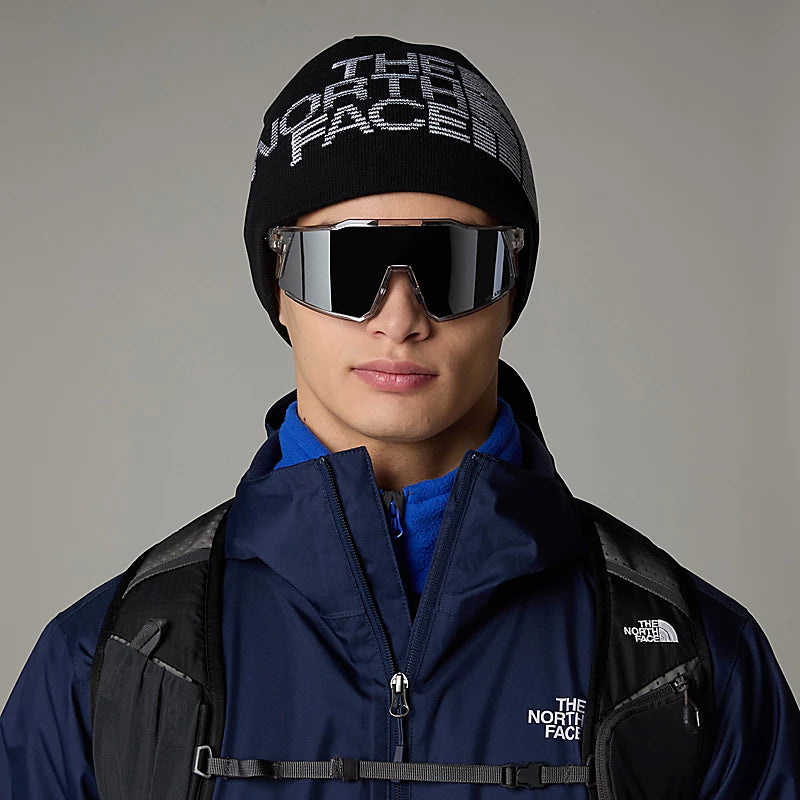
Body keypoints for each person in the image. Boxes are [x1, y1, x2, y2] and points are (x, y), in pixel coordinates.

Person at [1, 34, 799, 800]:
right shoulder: (109, 661)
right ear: (278, 284)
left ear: (512, 286)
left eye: (452, 264)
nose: (399, 318)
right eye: (345, 263)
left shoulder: (689, 668)